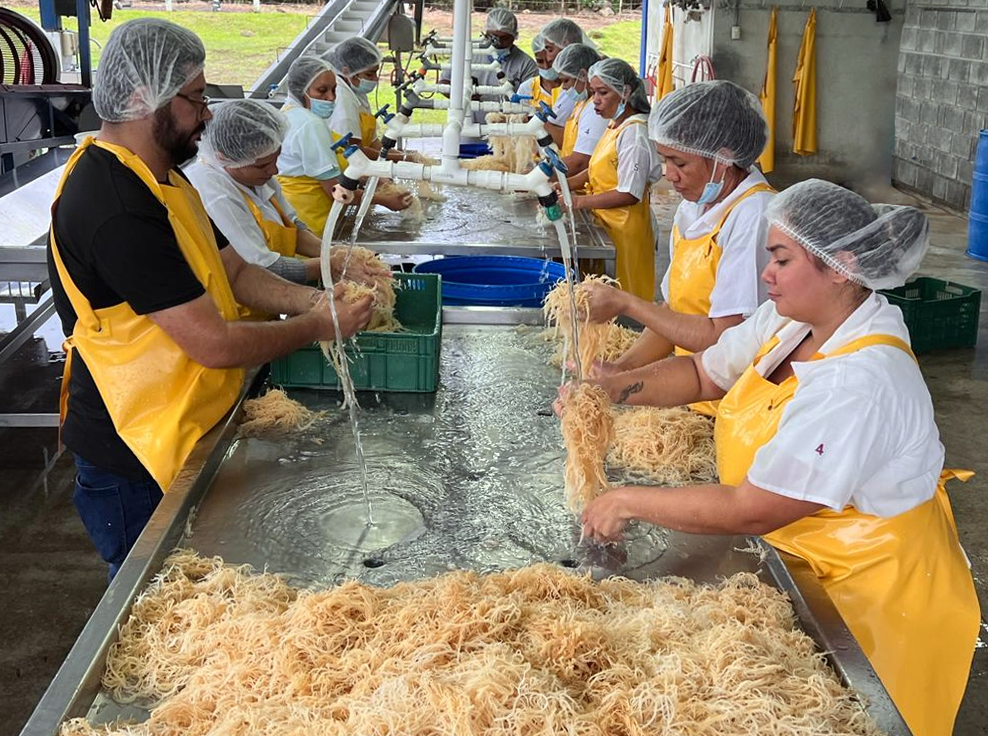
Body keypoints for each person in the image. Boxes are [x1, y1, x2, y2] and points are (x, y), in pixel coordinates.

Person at [572, 179, 979, 736]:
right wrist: (608, 389)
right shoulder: (790, 322)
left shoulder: (858, 381)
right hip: (802, 552)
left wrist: (626, 500)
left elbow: (754, 507)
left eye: (782, 259)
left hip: (870, 597)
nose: (767, 273)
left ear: (841, 266)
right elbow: (701, 372)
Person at [47, 19, 372, 579]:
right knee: (154, 608)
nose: (208, 113)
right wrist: (321, 327)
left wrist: (312, 301)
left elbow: (237, 272)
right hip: (135, 451)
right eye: (196, 97)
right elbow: (213, 343)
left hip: (186, 420)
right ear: (141, 97)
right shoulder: (115, 205)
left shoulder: (165, 178)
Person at [580, 80, 775, 416]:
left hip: (734, 408)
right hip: (690, 394)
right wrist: (620, 369)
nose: (669, 175)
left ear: (722, 159)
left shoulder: (753, 215)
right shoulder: (694, 207)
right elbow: (672, 316)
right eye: (664, 160)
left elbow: (723, 338)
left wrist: (626, 303)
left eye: (679, 163)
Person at [187, 99, 388, 292]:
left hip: (269, 300)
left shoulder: (257, 176)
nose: (274, 170)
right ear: (226, 158)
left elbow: (293, 225)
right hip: (238, 312)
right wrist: (330, 264)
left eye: (276, 158)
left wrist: (338, 253)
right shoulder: (214, 192)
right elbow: (261, 268)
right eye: (263, 165)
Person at [275, 55, 411, 236]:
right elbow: (337, 190)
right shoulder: (309, 124)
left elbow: (332, 167)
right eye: (322, 90)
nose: (331, 98)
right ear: (301, 90)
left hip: (303, 217)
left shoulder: (291, 113)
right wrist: (383, 199)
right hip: (314, 222)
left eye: (333, 90)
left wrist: (373, 177)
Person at [562, 58, 660, 302]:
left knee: (625, 299)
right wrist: (565, 185)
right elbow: (597, 169)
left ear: (625, 92)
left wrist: (577, 203)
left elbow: (629, 192)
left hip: (625, 229)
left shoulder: (635, 133)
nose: (595, 99)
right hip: (605, 222)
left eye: (603, 92)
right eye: (594, 92)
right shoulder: (614, 125)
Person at [440, 8, 537, 132]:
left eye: (505, 38)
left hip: (508, 132)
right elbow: (444, 82)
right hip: (468, 128)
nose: (498, 43)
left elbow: (532, 103)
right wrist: (464, 95)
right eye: (493, 37)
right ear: (485, 33)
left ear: (514, 36)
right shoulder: (469, 54)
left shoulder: (525, 64)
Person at [546, 43, 607, 172]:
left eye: (566, 80)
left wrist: (540, 175)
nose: (563, 87)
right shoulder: (582, 102)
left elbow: (581, 162)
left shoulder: (595, 110)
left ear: (583, 75)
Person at [539, 18, 591, 133]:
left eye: (550, 49)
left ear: (566, 45)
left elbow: (560, 133)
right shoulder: (572, 86)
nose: (548, 58)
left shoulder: (578, 88)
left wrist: (532, 124)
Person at [515, 34, 561, 111]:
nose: (546, 66)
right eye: (540, 61)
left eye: (551, 62)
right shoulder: (527, 89)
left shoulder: (570, 88)